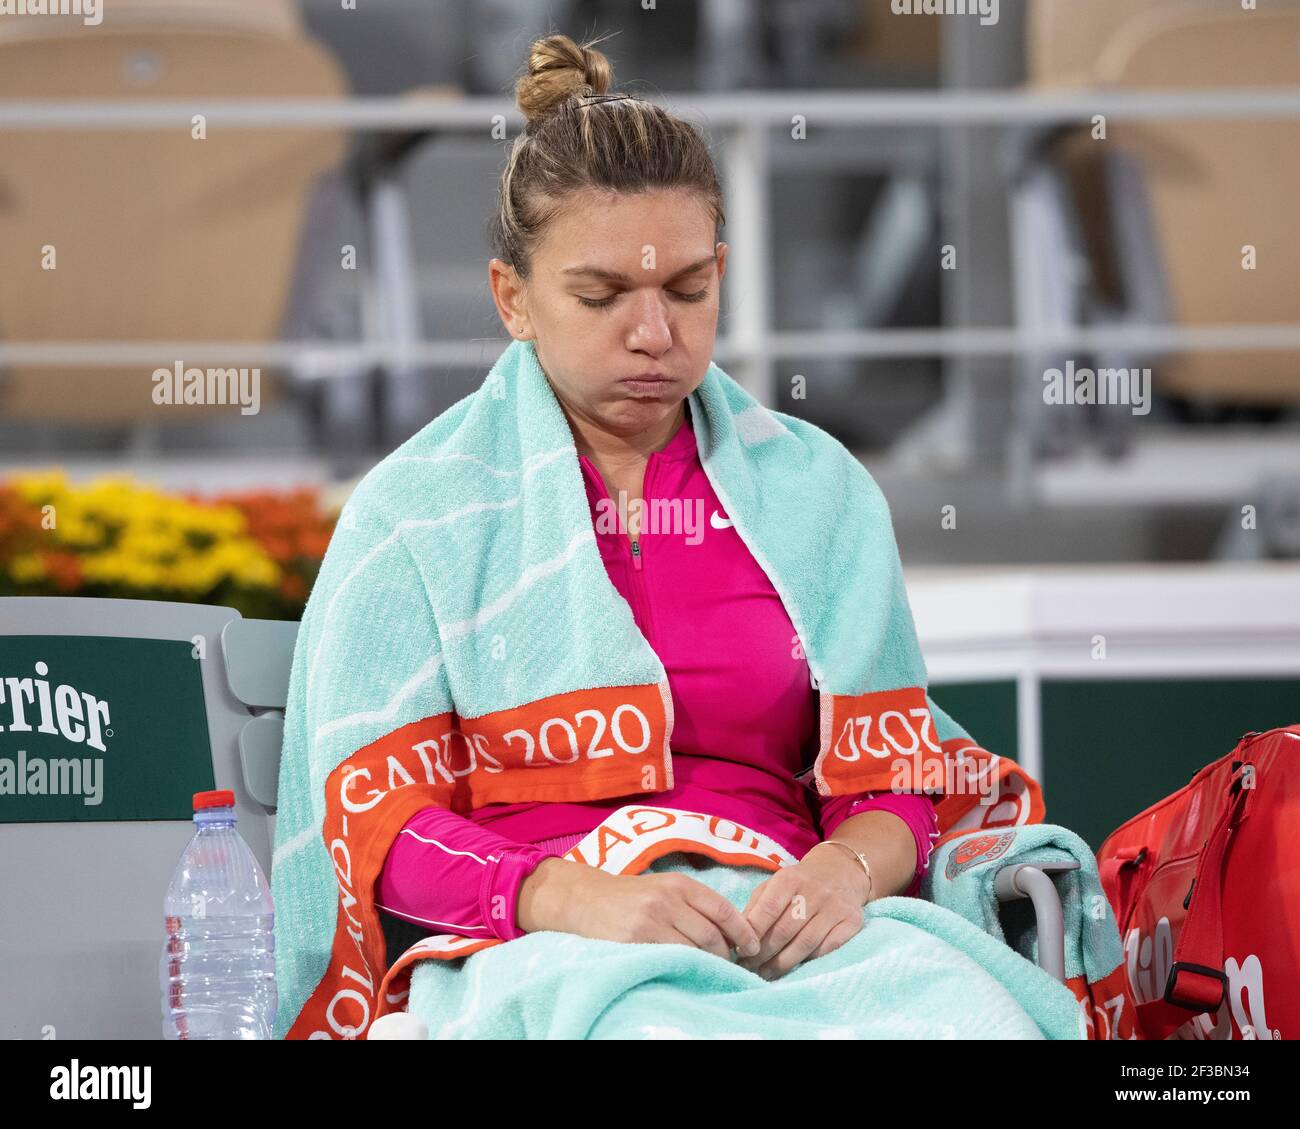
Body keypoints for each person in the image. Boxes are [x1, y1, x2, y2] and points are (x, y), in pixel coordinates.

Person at [373, 32, 940, 983]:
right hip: (539, 947)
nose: (654, 334)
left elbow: (890, 783)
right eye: (600, 296)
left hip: (795, 935)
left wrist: (845, 871)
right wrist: (563, 894)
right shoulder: (417, 513)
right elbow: (374, 826)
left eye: (689, 288)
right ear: (511, 298)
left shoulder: (821, 492)